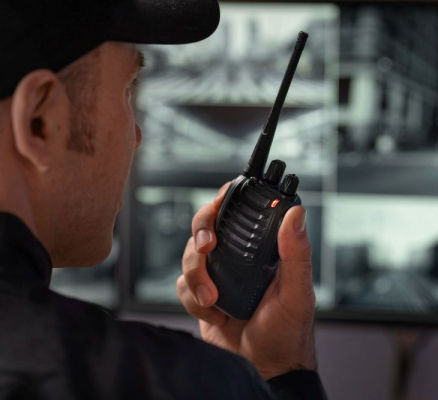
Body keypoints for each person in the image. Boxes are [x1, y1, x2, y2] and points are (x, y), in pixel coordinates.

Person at [0, 1, 327, 399]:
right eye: (127, 90)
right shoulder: (173, 383)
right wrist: (278, 374)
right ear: (39, 120)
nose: (137, 136)